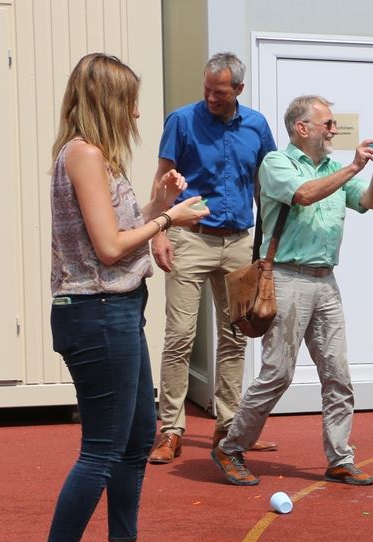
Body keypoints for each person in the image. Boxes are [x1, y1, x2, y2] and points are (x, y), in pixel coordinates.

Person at [33, 53, 210, 542]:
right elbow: (110, 248)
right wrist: (170, 219)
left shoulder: (98, 157)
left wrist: (160, 201)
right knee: (103, 448)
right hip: (96, 313)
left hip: (118, 308)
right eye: (130, 101)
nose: (136, 112)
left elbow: (117, 231)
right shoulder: (83, 155)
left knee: (137, 436)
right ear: (107, 101)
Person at [210, 95, 373, 487]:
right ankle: (231, 447)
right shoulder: (276, 163)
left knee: (338, 374)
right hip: (286, 277)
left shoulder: (334, 168)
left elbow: (371, 201)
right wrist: (355, 165)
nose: (334, 130)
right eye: (327, 123)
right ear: (302, 128)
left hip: (324, 279)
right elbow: (303, 194)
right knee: (278, 373)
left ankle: (340, 457)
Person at [147, 52, 278, 464]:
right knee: (179, 336)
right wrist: (159, 232)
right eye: (206, 89)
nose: (210, 98)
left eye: (219, 92)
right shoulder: (182, 121)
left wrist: (267, 245)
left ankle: (230, 427)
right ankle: (171, 429)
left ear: (239, 89)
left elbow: (266, 183)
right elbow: (162, 179)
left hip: (238, 241)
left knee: (236, 334)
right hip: (189, 237)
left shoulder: (257, 125)